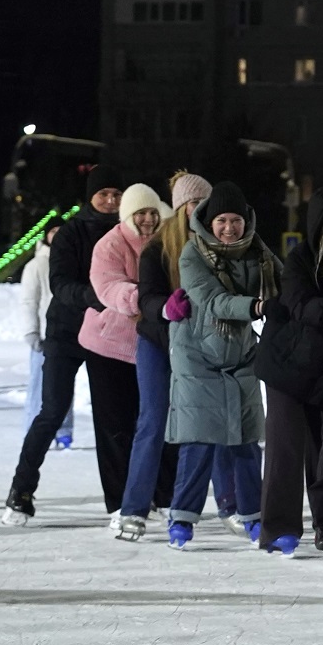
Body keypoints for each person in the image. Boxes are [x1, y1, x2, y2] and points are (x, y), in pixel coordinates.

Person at [4, 164, 134, 526]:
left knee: (112, 418)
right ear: (90, 197)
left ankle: (121, 501)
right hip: (66, 331)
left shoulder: (128, 234)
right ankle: (21, 491)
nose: (110, 201)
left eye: (116, 194)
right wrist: (98, 297)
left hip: (108, 336)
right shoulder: (71, 234)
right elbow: (60, 283)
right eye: (103, 194)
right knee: (52, 411)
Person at [166, 181, 281, 548]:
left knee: (247, 441)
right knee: (199, 442)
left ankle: (253, 517)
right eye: (222, 221)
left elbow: (283, 281)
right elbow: (214, 301)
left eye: (235, 220)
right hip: (196, 355)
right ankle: (182, 519)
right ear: (209, 222)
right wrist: (257, 307)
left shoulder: (256, 251)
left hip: (240, 353)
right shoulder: (192, 254)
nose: (229, 228)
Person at [256, 187, 323, 556]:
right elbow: (303, 305)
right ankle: (279, 528)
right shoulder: (300, 260)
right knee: (284, 448)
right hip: (287, 366)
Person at [117, 171, 212, 539]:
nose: (199, 210)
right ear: (180, 207)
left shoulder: (214, 244)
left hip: (199, 347)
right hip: (157, 342)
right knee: (153, 422)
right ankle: (133, 509)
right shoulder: (158, 246)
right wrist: (164, 309)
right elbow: (147, 296)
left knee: (198, 426)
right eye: (193, 203)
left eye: (205, 204)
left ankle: (185, 508)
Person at [79, 183, 170, 528]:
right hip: (109, 346)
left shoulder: (166, 243)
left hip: (154, 343)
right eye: (140, 214)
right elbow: (106, 285)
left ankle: (163, 494)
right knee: (117, 425)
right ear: (127, 216)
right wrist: (144, 299)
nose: (147, 220)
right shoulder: (111, 244)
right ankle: (119, 500)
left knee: (156, 421)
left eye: (152, 213)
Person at [19, 224, 75, 449]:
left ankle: (64, 430)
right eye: (54, 232)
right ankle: (36, 431)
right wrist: (31, 331)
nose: (58, 236)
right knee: (39, 386)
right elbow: (28, 301)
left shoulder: (72, 262)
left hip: (66, 334)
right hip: (44, 336)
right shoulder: (36, 265)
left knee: (63, 386)